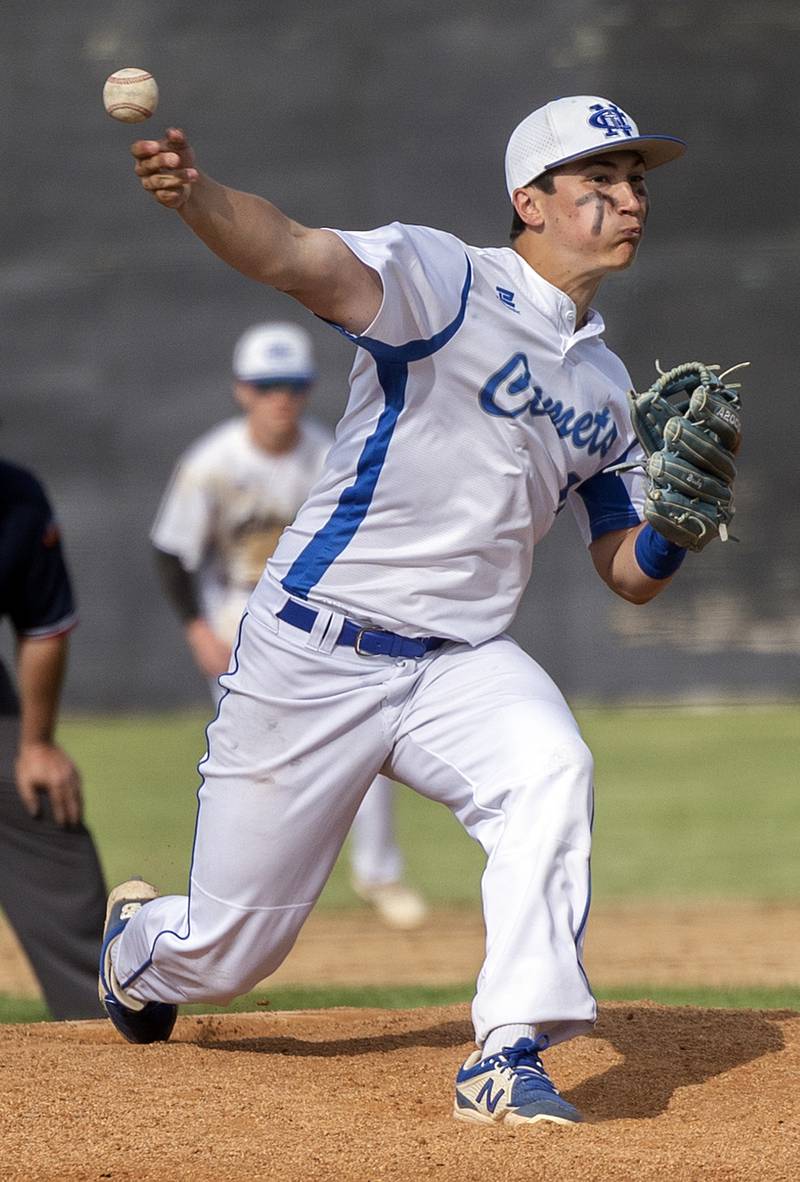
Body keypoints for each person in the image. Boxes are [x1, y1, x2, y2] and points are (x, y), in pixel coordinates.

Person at [99, 94, 694, 1124]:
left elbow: (624, 569)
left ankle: (506, 1053)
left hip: (456, 660)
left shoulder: (605, 387)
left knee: (550, 767)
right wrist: (195, 198)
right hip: (312, 644)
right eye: (597, 179)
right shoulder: (440, 279)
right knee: (230, 954)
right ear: (530, 200)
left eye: (634, 180)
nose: (627, 198)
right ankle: (139, 951)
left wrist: (675, 528)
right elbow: (290, 253)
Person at [150, 320, 427, 929]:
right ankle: (237, 893)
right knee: (252, 755)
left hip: (319, 610)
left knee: (365, 734)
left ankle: (379, 874)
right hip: (238, 609)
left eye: (292, 385)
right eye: (266, 384)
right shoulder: (212, 463)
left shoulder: (327, 455)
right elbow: (172, 551)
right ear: (242, 390)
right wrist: (198, 629)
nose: (281, 397)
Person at [0, 459, 106, 1019]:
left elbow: (42, 626)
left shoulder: (14, 500)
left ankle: (99, 1027)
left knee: (40, 804)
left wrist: (36, 744)